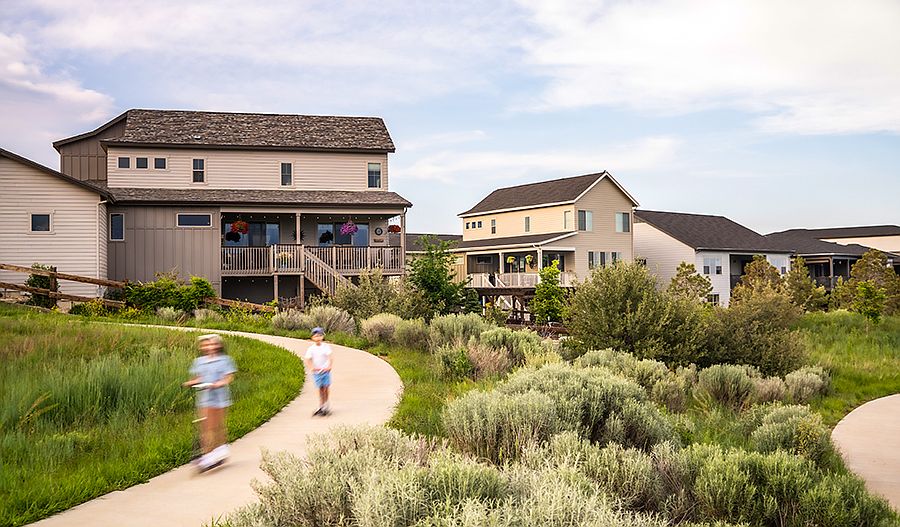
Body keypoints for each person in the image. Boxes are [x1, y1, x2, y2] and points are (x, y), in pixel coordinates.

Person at [184, 334, 236, 471]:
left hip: (220, 398)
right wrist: (190, 383)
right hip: (205, 398)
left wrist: (219, 383)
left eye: (213, 344)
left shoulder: (225, 360)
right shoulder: (199, 361)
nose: (210, 347)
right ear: (202, 347)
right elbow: (199, 378)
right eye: (207, 344)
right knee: (205, 426)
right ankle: (207, 454)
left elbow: (229, 377)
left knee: (217, 426)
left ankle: (219, 450)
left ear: (218, 345)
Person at [304, 327, 333, 416]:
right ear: (312, 338)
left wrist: (329, 366)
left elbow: (330, 357)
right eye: (316, 336)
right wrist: (311, 367)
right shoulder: (311, 349)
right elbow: (307, 359)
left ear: (323, 337)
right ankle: (321, 406)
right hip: (317, 372)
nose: (318, 338)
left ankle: (326, 405)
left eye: (320, 336)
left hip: (325, 371)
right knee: (320, 389)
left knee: (326, 388)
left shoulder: (326, 347)